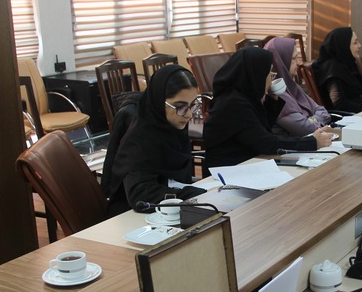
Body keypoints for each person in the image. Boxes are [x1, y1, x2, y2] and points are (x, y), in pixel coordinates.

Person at [204, 47, 333, 169]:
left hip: (249, 162)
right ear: (257, 74)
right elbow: (266, 142)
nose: (272, 77)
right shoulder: (233, 103)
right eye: (269, 73)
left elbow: (264, 129)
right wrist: (311, 142)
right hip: (228, 170)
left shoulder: (244, 96)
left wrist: (273, 98)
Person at [103, 65, 207, 215]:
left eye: (193, 105)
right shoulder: (140, 138)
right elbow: (140, 195)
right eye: (180, 107)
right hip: (133, 217)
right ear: (159, 101)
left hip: (171, 212)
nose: (189, 115)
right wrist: (190, 195)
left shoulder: (174, 127)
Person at [264, 36, 330, 136]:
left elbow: (323, 111)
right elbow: (305, 129)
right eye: (294, 58)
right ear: (281, 61)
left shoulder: (291, 86)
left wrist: (311, 120)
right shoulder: (275, 94)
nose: (298, 62)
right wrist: (314, 121)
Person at [313, 26, 362, 113]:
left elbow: (357, 94)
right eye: (355, 43)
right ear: (343, 45)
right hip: (345, 117)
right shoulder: (332, 68)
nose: (359, 45)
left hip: (358, 113)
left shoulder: (347, 64)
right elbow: (339, 103)